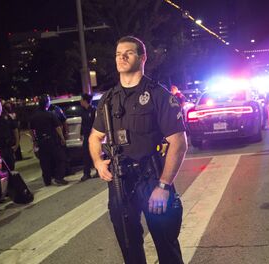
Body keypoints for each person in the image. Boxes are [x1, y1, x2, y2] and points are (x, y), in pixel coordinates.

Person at [89, 36, 186, 264]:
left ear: (142, 58)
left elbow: (179, 143)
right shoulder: (108, 100)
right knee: (129, 247)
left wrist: (163, 185)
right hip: (120, 181)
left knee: (166, 245)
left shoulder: (158, 95)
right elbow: (95, 136)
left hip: (152, 178)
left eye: (128, 53)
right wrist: (97, 161)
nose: (121, 57)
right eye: (117, 54)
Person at [30, 94, 68, 186]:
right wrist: (62, 138)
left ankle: (47, 181)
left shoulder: (34, 115)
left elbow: (31, 129)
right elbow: (57, 127)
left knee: (44, 162)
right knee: (61, 159)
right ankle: (59, 178)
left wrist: (35, 140)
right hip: (52, 141)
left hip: (41, 142)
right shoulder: (50, 114)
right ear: (47, 103)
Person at [80, 93, 96, 182]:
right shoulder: (83, 111)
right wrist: (81, 134)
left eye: (81, 99)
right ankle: (86, 173)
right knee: (85, 154)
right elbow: (82, 124)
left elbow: (96, 123)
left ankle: (98, 170)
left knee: (95, 152)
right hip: (86, 136)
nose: (80, 101)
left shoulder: (93, 110)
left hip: (93, 135)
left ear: (85, 100)